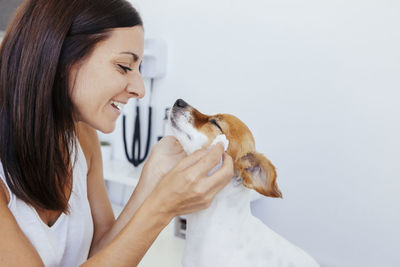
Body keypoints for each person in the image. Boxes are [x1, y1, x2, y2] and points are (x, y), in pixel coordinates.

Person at [0, 0, 233, 266]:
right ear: (60, 57)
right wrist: (163, 206)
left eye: (139, 69)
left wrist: (153, 177)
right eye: (124, 66)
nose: (139, 89)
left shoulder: (82, 138)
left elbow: (102, 253)